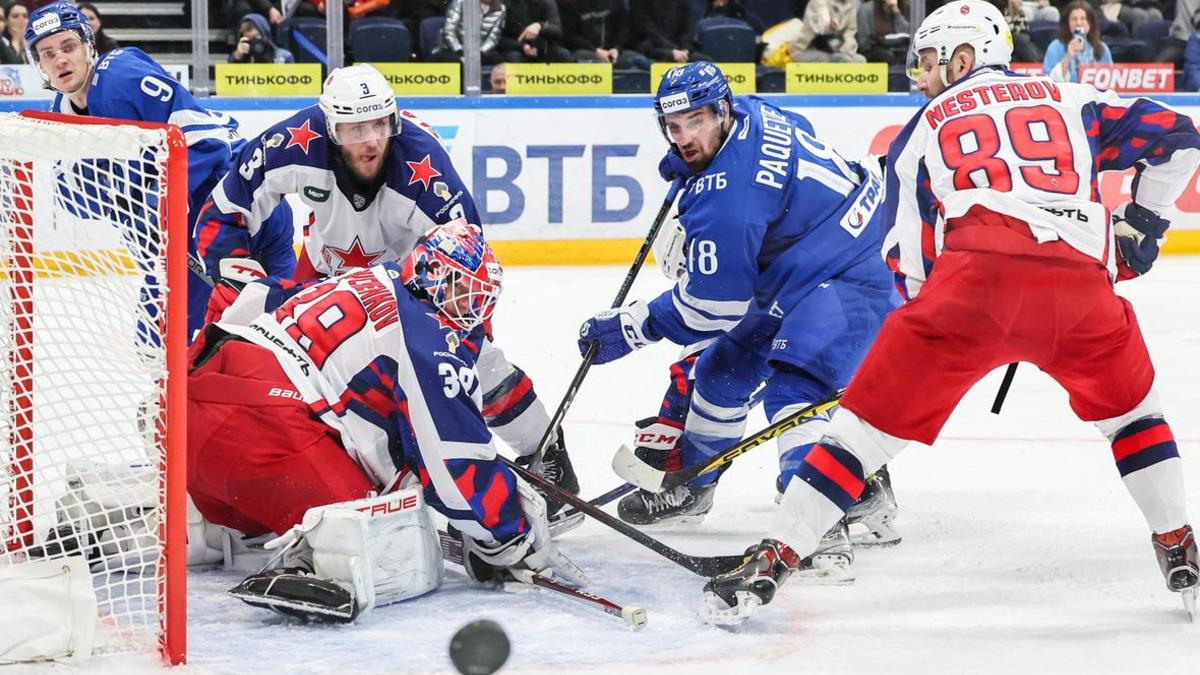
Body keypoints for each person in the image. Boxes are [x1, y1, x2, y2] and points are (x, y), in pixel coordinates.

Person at [702, 0, 1200, 626]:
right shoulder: (1076, 98)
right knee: (1133, 416)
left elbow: (905, 258)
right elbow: (1181, 139)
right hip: (1079, 285)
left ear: (966, 57)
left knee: (859, 435)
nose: (923, 75)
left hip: (971, 282)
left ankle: (775, 558)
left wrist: (946, 331)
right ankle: (1177, 542)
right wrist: (1145, 224)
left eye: (932, 60)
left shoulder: (921, 127)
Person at [194, 63, 580, 507]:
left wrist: (460, 355)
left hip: (411, 287)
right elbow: (225, 208)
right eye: (356, 128)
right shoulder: (293, 141)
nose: (372, 139)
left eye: (380, 123)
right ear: (330, 127)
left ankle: (547, 453)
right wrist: (234, 271)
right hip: (324, 276)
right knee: (287, 364)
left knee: (479, 366)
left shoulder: (427, 173)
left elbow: (470, 267)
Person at [576, 62, 899, 577]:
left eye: (696, 122)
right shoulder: (751, 111)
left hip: (854, 269)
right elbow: (802, 138)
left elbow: (714, 307)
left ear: (721, 111)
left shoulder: (729, 202)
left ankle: (823, 511)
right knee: (721, 375)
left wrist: (632, 326)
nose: (684, 137)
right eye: (674, 126)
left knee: (796, 388)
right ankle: (696, 484)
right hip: (806, 266)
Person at [190, 220, 587, 622]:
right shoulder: (428, 338)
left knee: (334, 455)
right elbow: (454, 463)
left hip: (193, 396)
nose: (472, 309)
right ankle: (313, 565)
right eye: (463, 293)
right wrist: (509, 537)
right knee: (390, 530)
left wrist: (543, 443)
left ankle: (198, 527)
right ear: (434, 276)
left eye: (479, 298)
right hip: (263, 428)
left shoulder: (373, 277)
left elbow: (254, 299)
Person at [24, 1, 296, 340]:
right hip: (183, 235)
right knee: (160, 340)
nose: (60, 59)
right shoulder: (59, 114)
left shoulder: (121, 76)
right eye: (48, 54)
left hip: (237, 205)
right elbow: (72, 197)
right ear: (39, 66)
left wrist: (156, 202)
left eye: (68, 46)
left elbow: (208, 143)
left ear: (88, 45)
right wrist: (132, 201)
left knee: (278, 329)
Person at [560, 0, 649, 69]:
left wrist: (616, 49)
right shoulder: (569, 4)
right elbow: (570, 36)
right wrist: (596, 50)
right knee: (591, 63)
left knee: (641, 61)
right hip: (585, 50)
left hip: (615, 52)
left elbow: (623, 31)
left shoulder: (616, 3)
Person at [1043, 0, 1112, 83]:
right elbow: (1050, 80)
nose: (1078, 23)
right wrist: (1068, 56)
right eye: (1074, 19)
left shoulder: (1102, 48)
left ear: (1090, 23)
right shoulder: (1055, 47)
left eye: (1083, 19)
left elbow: (1110, 79)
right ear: (1068, 23)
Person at [629, 0, 709, 64]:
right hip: (649, 46)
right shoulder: (639, 2)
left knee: (705, 61)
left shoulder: (682, 2)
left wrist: (685, 49)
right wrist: (672, 50)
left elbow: (686, 30)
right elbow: (647, 30)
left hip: (679, 50)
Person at [431, 0, 507, 65]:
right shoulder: (460, 2)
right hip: (454, 49)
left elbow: (493, 38)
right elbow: (449, 31)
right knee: (457, 63)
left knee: (499, 62)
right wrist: (460, 52)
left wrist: (480, 53)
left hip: (479, 50)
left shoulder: (500, 8)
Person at [789, 0, 865, 63]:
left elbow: (850, 33)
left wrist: (847, 48)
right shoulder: (817, 3)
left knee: (860, 60)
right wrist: (829, 25)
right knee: (843, 59)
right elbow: (820, 29)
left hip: (835, 49)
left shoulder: (850, 7)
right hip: (806, 50)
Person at [499, 0, 571, 63]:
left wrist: (540, 26)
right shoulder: (503, 4)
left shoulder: (545, 2)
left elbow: (557, 31)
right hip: (515, 47)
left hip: (543, 47)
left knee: (563, 55)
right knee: (515, 57)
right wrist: (522, 46)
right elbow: (499, 39)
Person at [229, 12, 294, 64]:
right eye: (243, 32)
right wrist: (237, 57)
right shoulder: (243, 58)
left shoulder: (284, 57)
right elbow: (229, 78)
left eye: (249, 29)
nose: (246, 34)